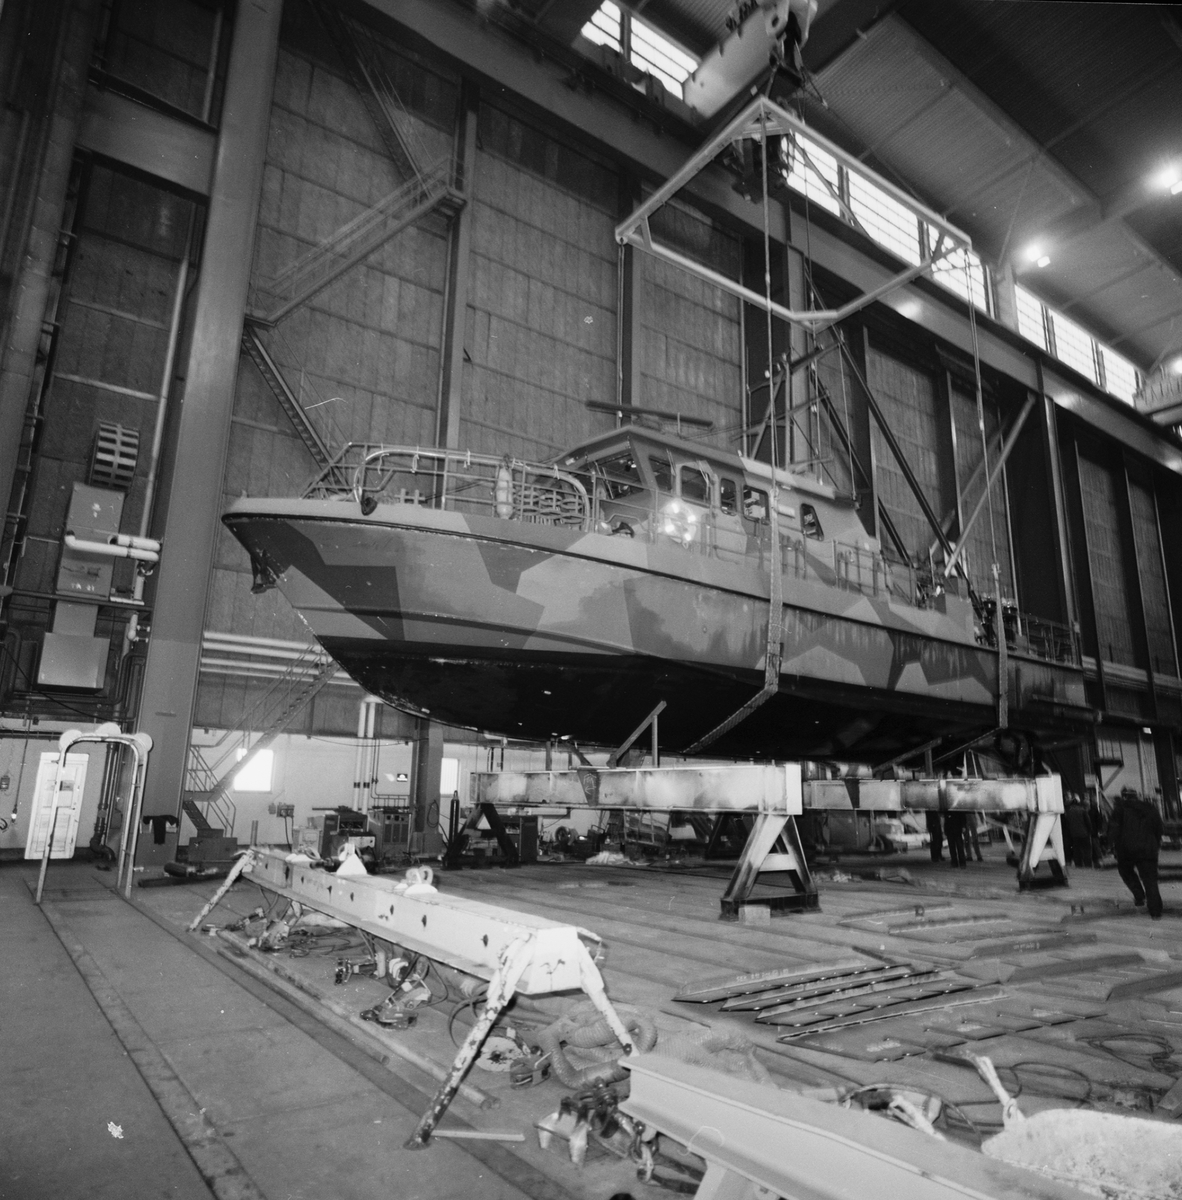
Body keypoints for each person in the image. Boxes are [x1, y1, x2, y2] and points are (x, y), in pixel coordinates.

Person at [1109, 787, 1164, 919]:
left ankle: (1139, 895)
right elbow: (1159, 828)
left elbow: (1113, 830)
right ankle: (1155, 912)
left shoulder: (1120, 809)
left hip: (1126, 850)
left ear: (1124, 797)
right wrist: (1155, 844)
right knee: (1150, 880)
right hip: (1148, 849)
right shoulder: (1150, 808)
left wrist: (1112, 846)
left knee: (1125, 871)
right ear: (1137, 796)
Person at [1062, 794, 1093, 868]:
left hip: (1074, 834)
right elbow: (1088, 822)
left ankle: (1078, 864)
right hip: (1084, 834)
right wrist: (1090, 831)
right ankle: (1088, 864)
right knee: (1086, 850)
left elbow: (1067, 824)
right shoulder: (1083, 811)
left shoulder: (1069, 812)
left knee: (1077, 850)